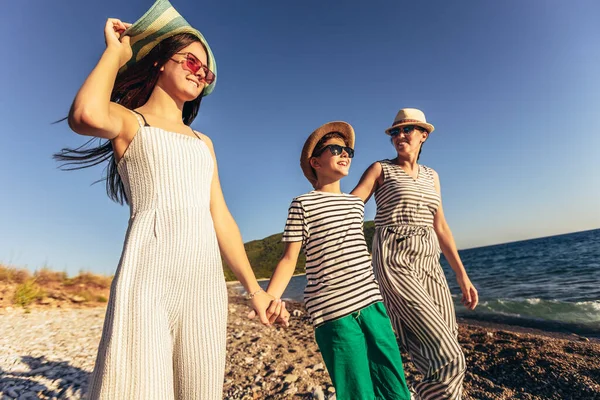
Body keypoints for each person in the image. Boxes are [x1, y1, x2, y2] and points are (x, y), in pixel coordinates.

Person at [54, 1, 286, 398]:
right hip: (148, 274)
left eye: (206, 71)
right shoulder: (130, 121)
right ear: (162, 62)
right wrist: (117, 52)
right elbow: (84, 115)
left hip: (204, 281)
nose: (200, 74)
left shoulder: (203, 143)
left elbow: (221, 218)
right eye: (192, 62)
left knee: (198, 387)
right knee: (137, 385)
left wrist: (255, 290)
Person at [261, 121, 411, 400]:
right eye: (336, 149)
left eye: (349, 151)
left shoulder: (355, 204)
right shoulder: (302, 204)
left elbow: (380, 175)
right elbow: (289, 258)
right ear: (315, 161)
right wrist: (269, 298)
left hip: (371, 304)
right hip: (333, 313)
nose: (346, 154)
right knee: (357, 393)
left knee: (395, 387)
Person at [351, 108, 479, 399]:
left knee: (445, 345)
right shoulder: (380, 169)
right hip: (394, 258)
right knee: (450, 356)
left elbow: (442, 227)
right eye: (395, 132)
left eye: (406, 129)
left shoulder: (432, 176)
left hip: (429, 260)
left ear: (424, 135)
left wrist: (462, 276)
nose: (399, 136)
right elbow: (352, 205)